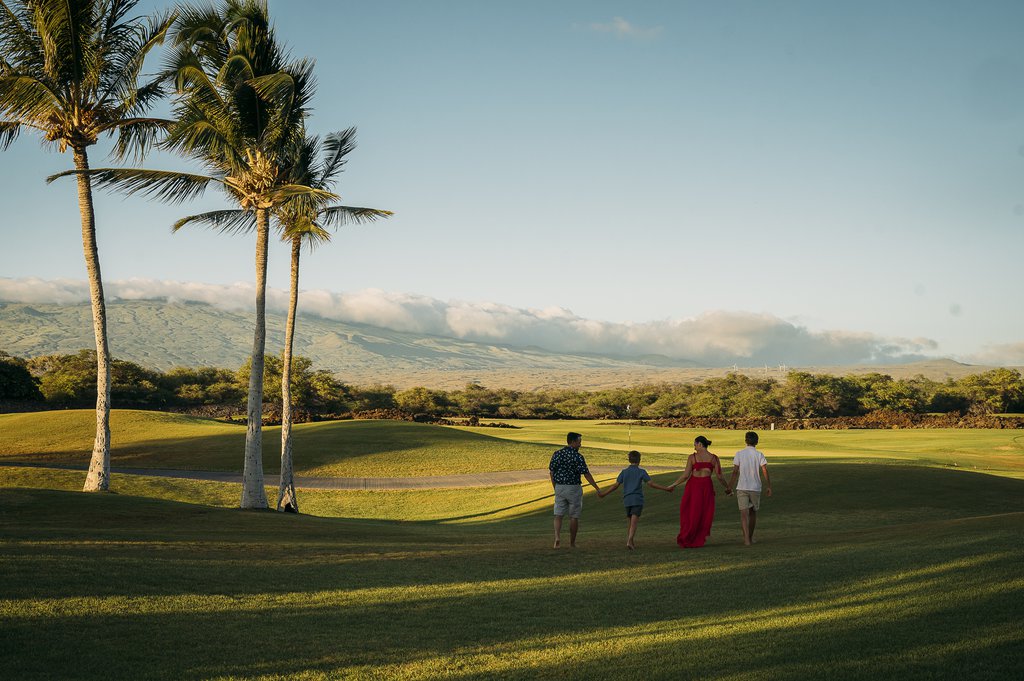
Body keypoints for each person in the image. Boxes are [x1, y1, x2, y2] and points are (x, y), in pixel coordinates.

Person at [598, 450, 673, 549]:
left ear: (629, 460)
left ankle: (630, 541)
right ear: (639, 460)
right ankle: (629, 541)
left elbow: (615, 485)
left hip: (627, 500)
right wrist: (666, 488)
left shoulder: (624, 472)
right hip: (637, 499)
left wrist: (604, 494)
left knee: (630, 522)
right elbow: (651, 484)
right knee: (634, 522)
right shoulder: (641, 472)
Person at [668, 435, 731, 548]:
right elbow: (720, 476)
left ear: (700, 444)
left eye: (695, 444)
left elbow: (685, 475)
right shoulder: (714, 458)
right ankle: (698, 537)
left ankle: (688, 536)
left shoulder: (692, 457)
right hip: (706, 486)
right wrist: (727, 488)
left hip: (693, 486)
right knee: (704, 513)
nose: (694, 447)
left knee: (690, 512)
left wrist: (674, 484)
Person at [549, 432, 603, 548]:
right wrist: (597, 488)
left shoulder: (557, 454)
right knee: (574, 516)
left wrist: (555, 487)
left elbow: (552, 472)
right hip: (574, 487)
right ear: (572, 442)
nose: (580, 445)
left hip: (559, 486)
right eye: (579, 442)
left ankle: (557, 537)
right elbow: (586, 474)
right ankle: (572, 543)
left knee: (558, 514)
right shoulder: (578, 457)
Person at [729, 431, 772, 546]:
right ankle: (750, 537)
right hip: (755, 487)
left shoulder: (739, 453)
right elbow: (764, 470)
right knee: (753, 513)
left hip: (742, 487)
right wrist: (769, 486)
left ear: (745, 440)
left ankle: (746, 540)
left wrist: (729, 486)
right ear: (756, 442)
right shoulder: (759, 454)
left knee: (743, 514)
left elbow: (734, 472)